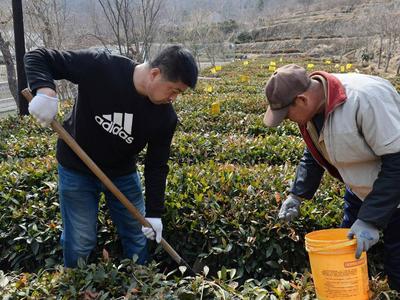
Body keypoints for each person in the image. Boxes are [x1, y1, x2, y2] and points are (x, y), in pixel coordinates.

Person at [24, 45, 198, 268]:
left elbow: (157, 165)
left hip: (122, 174)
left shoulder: (165, 118)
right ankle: (77, 285)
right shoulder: (102, 66)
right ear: (155, 74)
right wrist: (44, 90)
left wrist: (155, 213)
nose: (173, 98)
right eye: (173, 90)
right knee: (80, 241)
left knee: (137, 237)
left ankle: (141, 284)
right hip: (76, 168)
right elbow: (37, 56)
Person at [263, 64, 400, 291]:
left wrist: (371, 219)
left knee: (397, 262)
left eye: (286, 114)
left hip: (393, 192)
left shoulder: (365, 99)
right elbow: (316, 149)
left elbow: (397, 161)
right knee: (347, 255)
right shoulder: (313, 106)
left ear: (302, 100)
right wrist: (297, 194)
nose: (287, 119)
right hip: (359, 188)